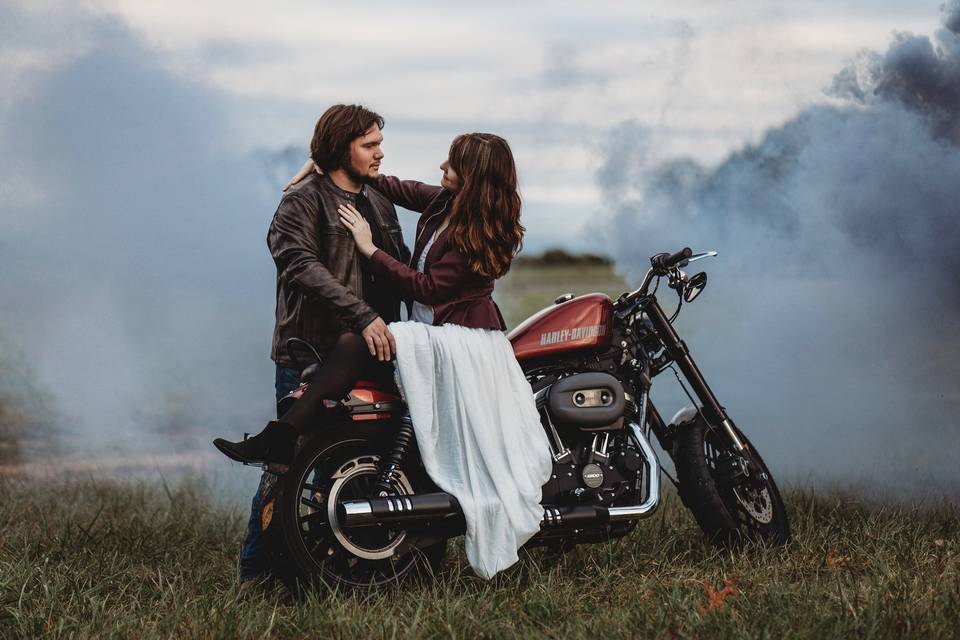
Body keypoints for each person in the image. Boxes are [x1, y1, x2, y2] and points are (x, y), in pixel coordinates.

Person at [214, 131, 524, 460]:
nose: (443, 164)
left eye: (455, 162)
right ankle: (283, 436)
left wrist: (369, 247)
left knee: (357, 341)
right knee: (359, 343)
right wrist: (328, 160)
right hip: (432, 331)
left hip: (457, 339)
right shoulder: (445, 201)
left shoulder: (477, 228)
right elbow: (393, 186)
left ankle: (280, 435)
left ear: (474, 175)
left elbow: (428, 289)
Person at [217, 103, 411, 585]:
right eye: (369, 145)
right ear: (340, 146)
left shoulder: (380, 201)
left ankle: (327, 568)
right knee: (288, 467)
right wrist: (362, 315)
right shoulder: (300, 201)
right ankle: (257, 573)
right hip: (310, 355)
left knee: (359, 460)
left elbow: (399, 264)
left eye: (379, 143)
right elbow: (300, 264)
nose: (380, 153)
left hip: (376, 354)